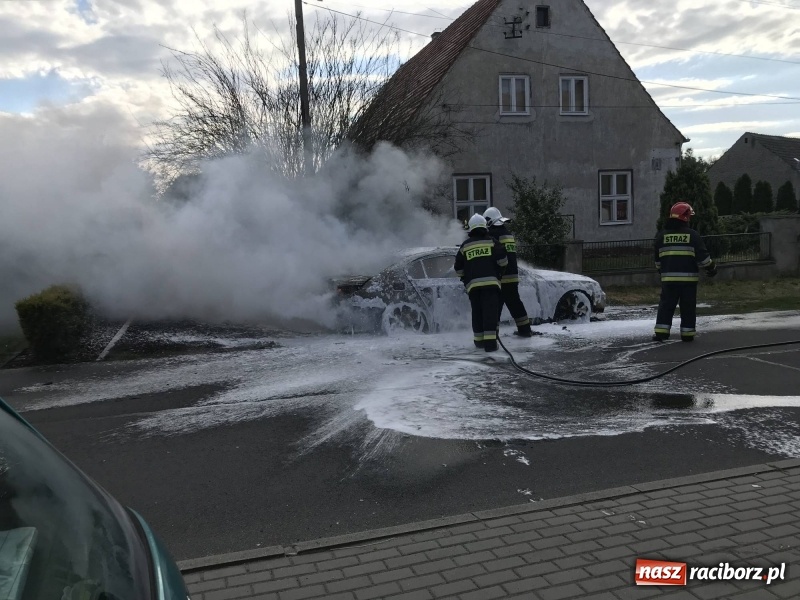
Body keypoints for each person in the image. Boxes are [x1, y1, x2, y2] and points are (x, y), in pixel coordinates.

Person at [653, 201, 717, 342]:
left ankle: (661, 333)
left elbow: (657, 261)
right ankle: (687, 334)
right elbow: (704, 258)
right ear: (685, 217)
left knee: (666, 306)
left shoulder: (661, 236)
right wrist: (711, 268)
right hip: (688, 282)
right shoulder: (692, 235)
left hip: (668, 281)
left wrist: (663, 272)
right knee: (688, 308)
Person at [454, 214, 508, 352]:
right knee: (490, 314)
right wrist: (499, 273)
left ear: (471, 228)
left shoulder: (465, 246)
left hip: (473, 287)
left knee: (477, 313)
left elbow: (458, 268)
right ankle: (490, 345)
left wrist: (465, 280)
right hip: (491, 286)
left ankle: (479, 342)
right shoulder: (492, 242)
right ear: (485, 227)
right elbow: (503, 261)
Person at [483, 207, 534, 337]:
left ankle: (493, 333)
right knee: (515, 304)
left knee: (496, 305)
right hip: (512, 275)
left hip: (501, 276)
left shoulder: (494, 234)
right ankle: (525, 330)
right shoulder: (507, 233)